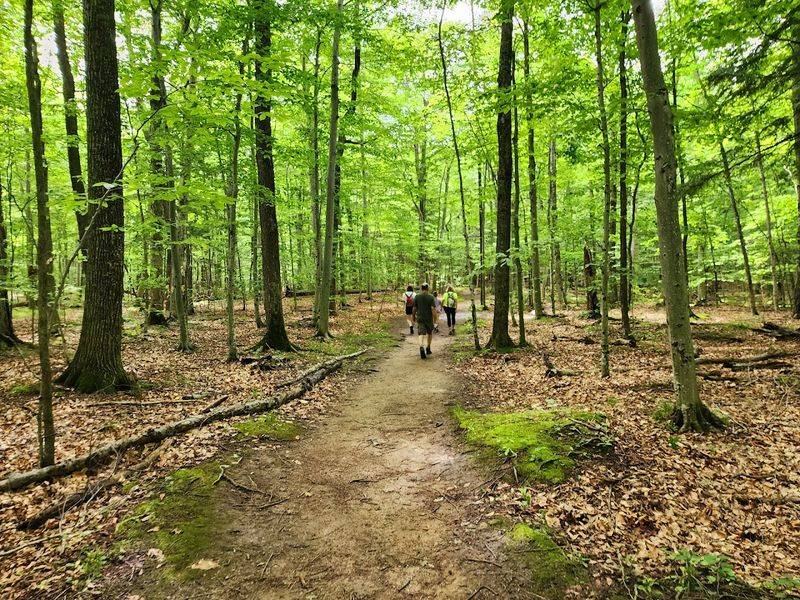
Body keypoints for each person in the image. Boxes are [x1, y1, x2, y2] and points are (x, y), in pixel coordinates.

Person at [412, 283, 436, 359]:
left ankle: (421, 346)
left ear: (421, 288)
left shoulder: (417, 296)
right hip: (429, 319)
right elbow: (432, 309)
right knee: (429, 333)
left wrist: (413, 316)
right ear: (427, 288)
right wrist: (435, 318)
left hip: (420, 318)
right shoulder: (431, 297)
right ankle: (428, 348)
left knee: (421, 333)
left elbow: (414, 308)